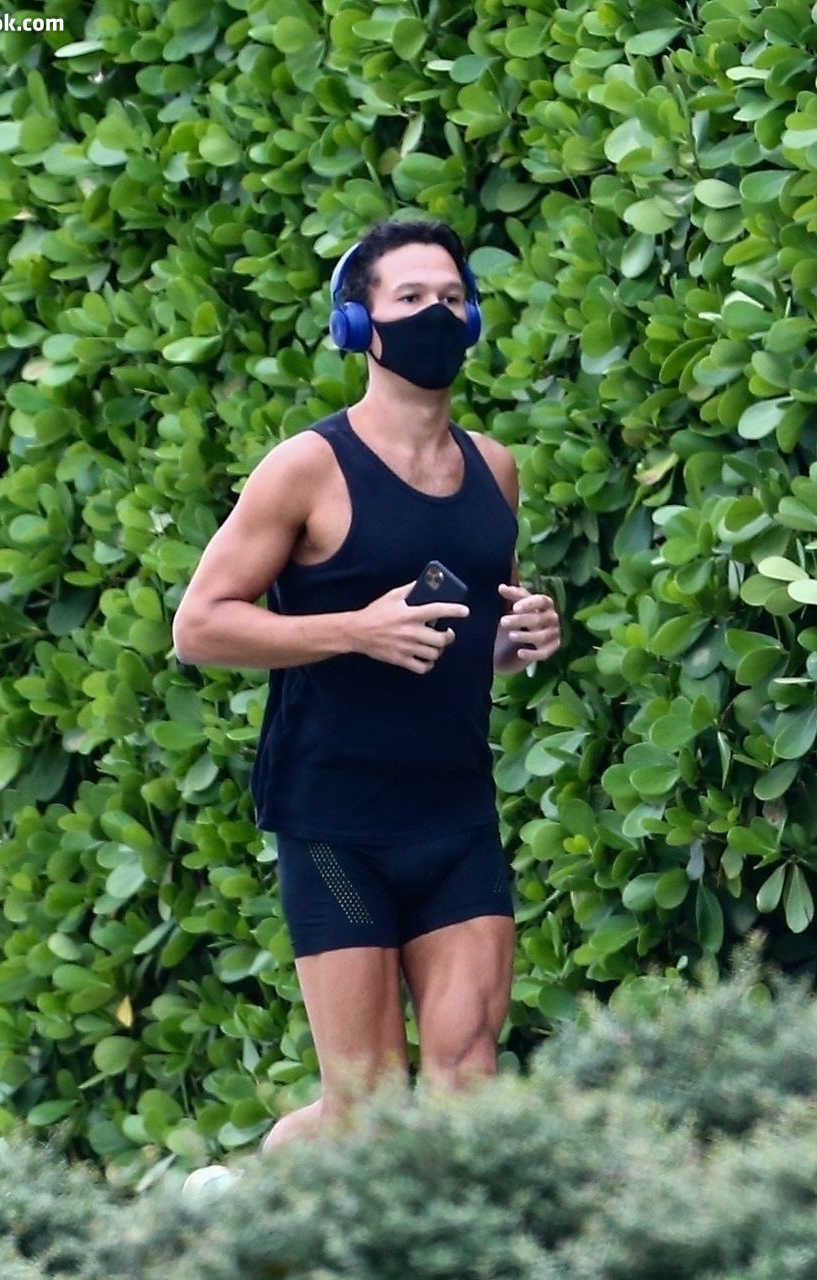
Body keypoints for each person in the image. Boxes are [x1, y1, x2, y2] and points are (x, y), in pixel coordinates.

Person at [170, 217, 562, 1162]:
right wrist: (353, 629)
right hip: (336, 822)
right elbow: (200, 627)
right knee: (367, 1109)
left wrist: (515, 643)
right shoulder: (309, 467)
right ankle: (251, 1196)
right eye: (411, 298)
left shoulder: (495, 469)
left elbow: (464, 638)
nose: (437, 314)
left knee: (468, 1077)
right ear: (358, 325)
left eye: (453, 298)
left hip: (454, 815)